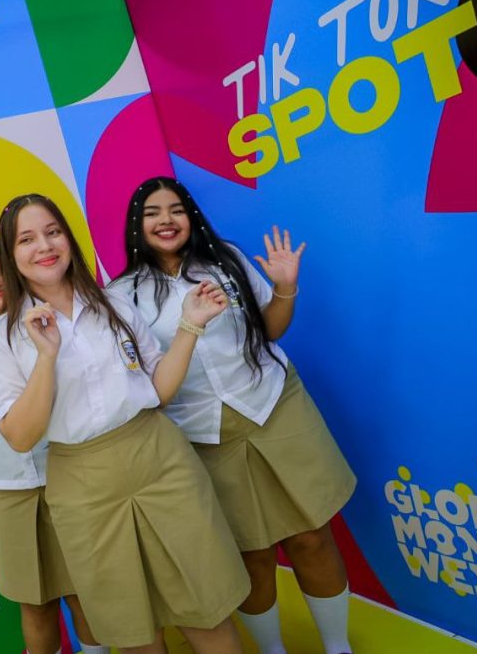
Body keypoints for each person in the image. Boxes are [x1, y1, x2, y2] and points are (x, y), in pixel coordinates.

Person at [0, 195, 250, 654]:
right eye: (27, 239)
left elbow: (158, 391)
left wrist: (190, 325)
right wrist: (46, 356)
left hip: (160, 460)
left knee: (207, 611)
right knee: (133, 632)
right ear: (11, 254)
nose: (44, 246)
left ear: (69, 239)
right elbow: (21, 437)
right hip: (83, 487)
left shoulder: (115, 304)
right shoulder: (3, 337)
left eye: (53, 232)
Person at [108, 177, 358, 654]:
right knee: (253, 554)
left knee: (311, 536)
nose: (166, 220)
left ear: (191, 216)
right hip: (204, 434)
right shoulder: (122, 297)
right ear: (136, 225)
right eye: (152, 213)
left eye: (176, 209)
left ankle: (337, 646)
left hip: (275, 407)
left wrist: (285, 288)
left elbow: (269, 330)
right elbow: (143, 385)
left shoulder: (228, 261)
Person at [0, 240, 107, 654]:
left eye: (1, 272)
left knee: (83, 590)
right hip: (6, 487)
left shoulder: (54, 324)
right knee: (34, 602)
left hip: (66, 474)